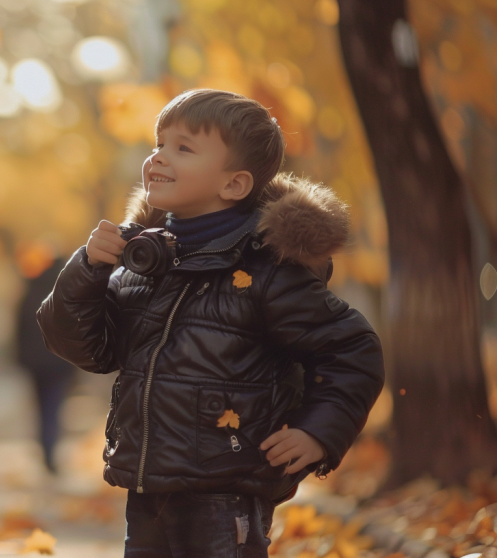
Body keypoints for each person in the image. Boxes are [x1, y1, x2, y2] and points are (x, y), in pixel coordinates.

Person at [36, 89, 385, 557]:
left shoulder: (268, 270)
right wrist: (89, 269)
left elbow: (353, 350)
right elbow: (87, 349)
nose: (158, 157)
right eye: (159, 143)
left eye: (183, 147)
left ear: (234, 185)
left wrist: (319, 431)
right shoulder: (145, 260)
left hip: (228, 489)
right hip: (149, 484)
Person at [15, 255, 77, 474]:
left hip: (35, 364)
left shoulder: (29, 292)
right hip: (59, 363)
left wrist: (21, 359)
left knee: (41, 409)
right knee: (53, 408)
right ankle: (50, 452)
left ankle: (45, 450)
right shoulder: (66, 294)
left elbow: (19, 331)